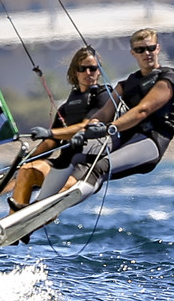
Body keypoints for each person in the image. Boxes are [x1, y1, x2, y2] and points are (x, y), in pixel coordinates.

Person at [9, 46, 118, 209]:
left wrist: (49, 132)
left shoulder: (105, 98)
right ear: (75, 72)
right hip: (64, 162)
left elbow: (86, 126)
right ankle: (15, 219)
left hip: (87, 163)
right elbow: (50, 144)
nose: (88, 73)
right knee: (26, 171)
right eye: (83, 69)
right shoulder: (66, 107)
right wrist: (21, 162)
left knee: (62, 190)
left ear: (99, 71)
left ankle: (34, 213)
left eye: (93, 68)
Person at [79, 28, 174, 180]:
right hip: (124, 139)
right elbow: (104, 113)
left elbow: (143, 110)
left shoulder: (168, 77)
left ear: (157, 48)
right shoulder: (125, 85)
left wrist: (111, 127)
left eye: (150, 48)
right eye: (140, 50)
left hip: (151, 141)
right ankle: (55, 191)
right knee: (74, 155)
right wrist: (90, 127)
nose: (146, 53)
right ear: (133, 53)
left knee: (100, 166)